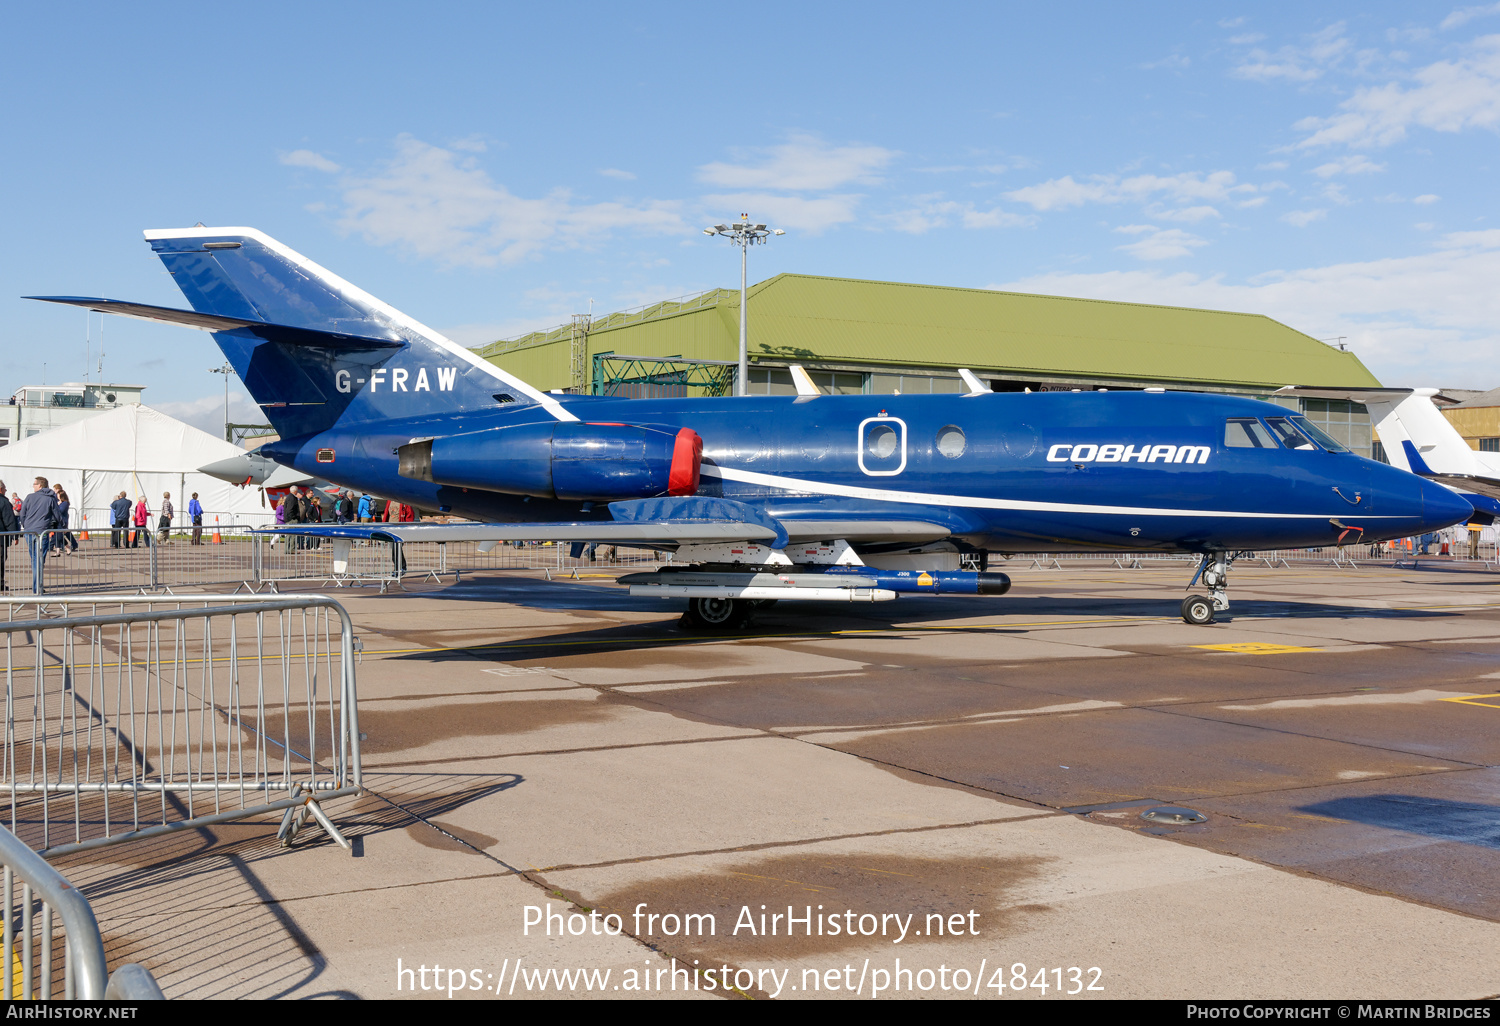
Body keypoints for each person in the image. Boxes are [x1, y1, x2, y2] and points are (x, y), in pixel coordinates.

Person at [20, 477, 61, 591]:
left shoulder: (31, 497)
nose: (33, 486)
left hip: (31, 531)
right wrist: (62, 525)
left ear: (40, 486)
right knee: (39, 560)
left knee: (35, 559)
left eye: (34, 484)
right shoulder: (50, 498)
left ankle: (37, 586)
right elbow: (57, 515)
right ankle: (37, 587)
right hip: (41, 531)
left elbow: (22, 514)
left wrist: (26, 525)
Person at [0, 481, 17, 590]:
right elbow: (9, 520)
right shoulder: (3, 501)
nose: (6, 491)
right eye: (5, 489)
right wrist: (14, 535)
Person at [52, 484, 78, 554]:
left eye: (57, 494)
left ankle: (68, 546)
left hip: (62, 521)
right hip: (57, 521)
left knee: (60, 536)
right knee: (57, 536)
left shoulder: (65, 503)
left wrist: (57, 505)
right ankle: (58, 551)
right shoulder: (59, 502)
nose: (56, 495)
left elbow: (60, 511)